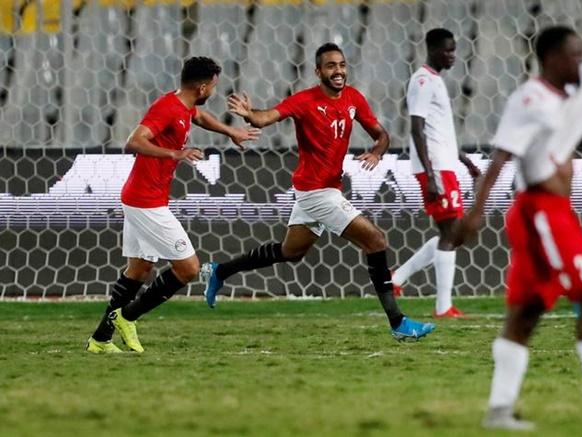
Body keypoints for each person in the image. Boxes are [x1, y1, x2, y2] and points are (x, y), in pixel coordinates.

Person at [455, 26, 582, 429]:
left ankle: (498, 412)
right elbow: (500, 156)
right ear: (550, 58)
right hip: (540, 212)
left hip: (555, 212)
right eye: (574, 56)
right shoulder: (529, 99)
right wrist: (475, 211)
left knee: (525, 313)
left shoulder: (568, 101)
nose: (580, 63)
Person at [201, 43, 435, 341]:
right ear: (318, 71)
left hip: (318, 192)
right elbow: (265, 117)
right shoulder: (304, 100)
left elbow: (382, 135)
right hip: (317, 194)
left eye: (341, 65)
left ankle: (220, 271)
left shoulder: (353, 98)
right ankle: (398, 323)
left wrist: (377, 152)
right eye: (330, 66)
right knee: (375, 241)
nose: (338, 71)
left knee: (291, 251)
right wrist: (250, 114)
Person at [86, 57, 260, 353]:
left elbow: (200, 117)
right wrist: (174, 154)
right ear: (203, 86)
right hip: (146, 202)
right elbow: (134, 141)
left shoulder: (184, 105)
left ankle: (100, 339)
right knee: (189, 268)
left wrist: (231, 132)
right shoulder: (167, 108)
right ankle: (127, 317)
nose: (213, 93)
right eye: (214, 87)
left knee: (139, 270)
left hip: (142, 198)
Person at [390, 28, 480, 318]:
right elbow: (416, 128)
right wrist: (429, 175)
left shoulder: (436, 81)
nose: (453, 55)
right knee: (451, 232)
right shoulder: (423, 80)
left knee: (453, 233)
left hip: (445, 164)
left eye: (455, 50)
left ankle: (397, 279)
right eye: (448, 50)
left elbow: (438, 130)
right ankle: (443, 306)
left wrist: (464, 160)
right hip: (435, 167)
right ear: (432, 49)